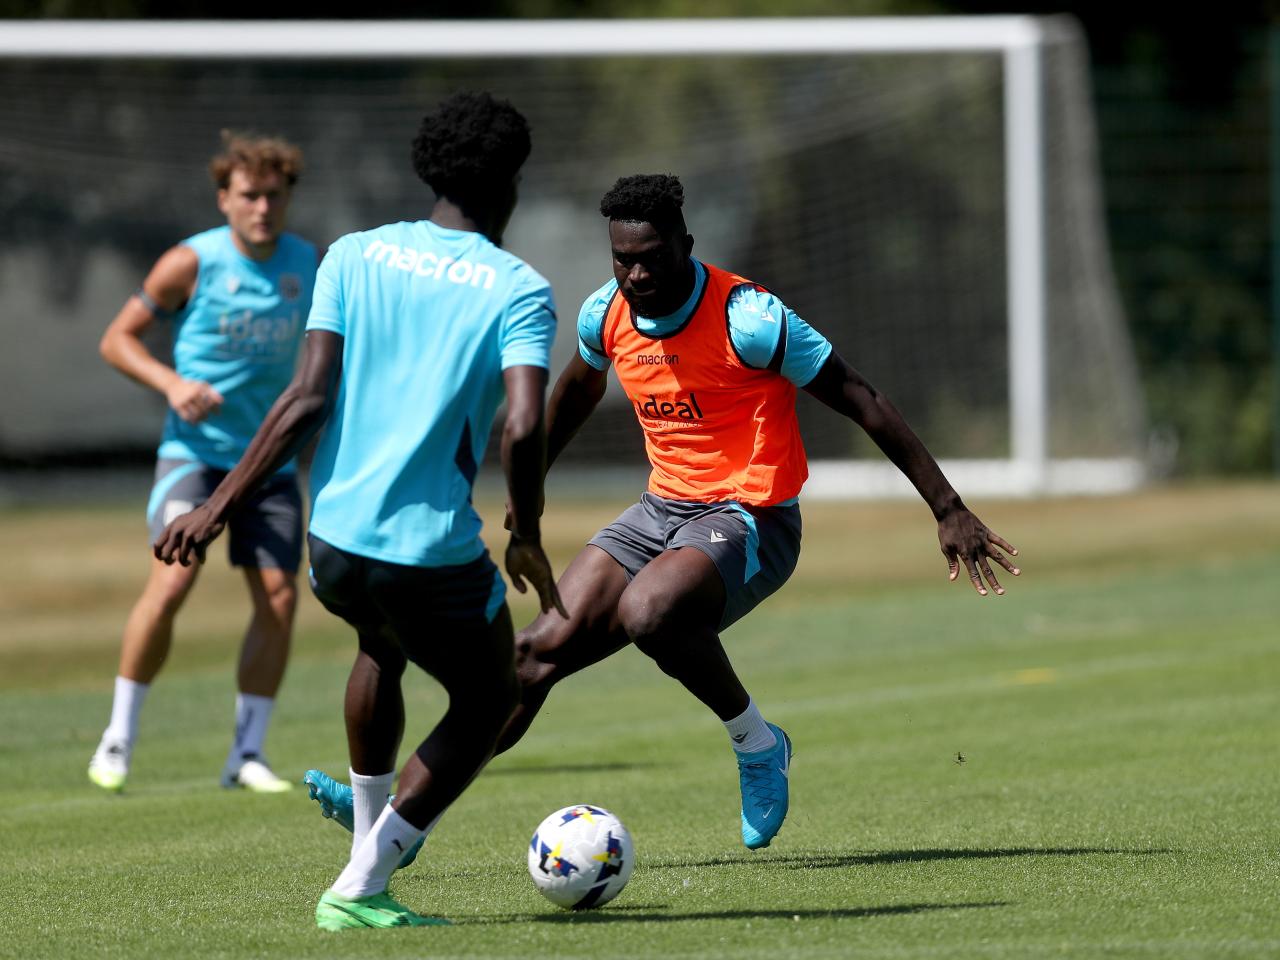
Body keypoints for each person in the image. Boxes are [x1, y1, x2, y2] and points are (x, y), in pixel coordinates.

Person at [306, 172, 1020, 859]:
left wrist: (947, 507)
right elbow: (578, 394)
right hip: (660, 510)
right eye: (623, 260)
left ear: (685, 241)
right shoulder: (606, 312)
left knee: (650, 612)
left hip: (753, 516)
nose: (637, 276)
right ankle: (399, 827)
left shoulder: (752, 320)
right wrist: (532, 486)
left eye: (650, 259)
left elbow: (860, 396)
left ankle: (758, 745)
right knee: (525, 662)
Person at [154, 91, 564, 931]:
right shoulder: (518, 289)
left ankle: (368, 837)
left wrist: (217, 507)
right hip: (430, 547)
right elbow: (524, 424)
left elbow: (305, 399)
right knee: (493, 697)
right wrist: (525, 530)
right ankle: (366, 878)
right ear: (510, 184)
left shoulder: (353, 254)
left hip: (334, 539)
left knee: (380, 644)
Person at [89, 133, 317, 795]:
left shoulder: (311, 264)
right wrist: (171, 385)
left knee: (278, 597)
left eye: (274, 195)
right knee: (172, 579)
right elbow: (116, 340)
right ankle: (118, 737)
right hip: (193, 458)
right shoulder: (190, 262)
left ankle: (246, 754)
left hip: (268, 464)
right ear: (225, 198)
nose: (263, 208)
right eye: (249, 195)